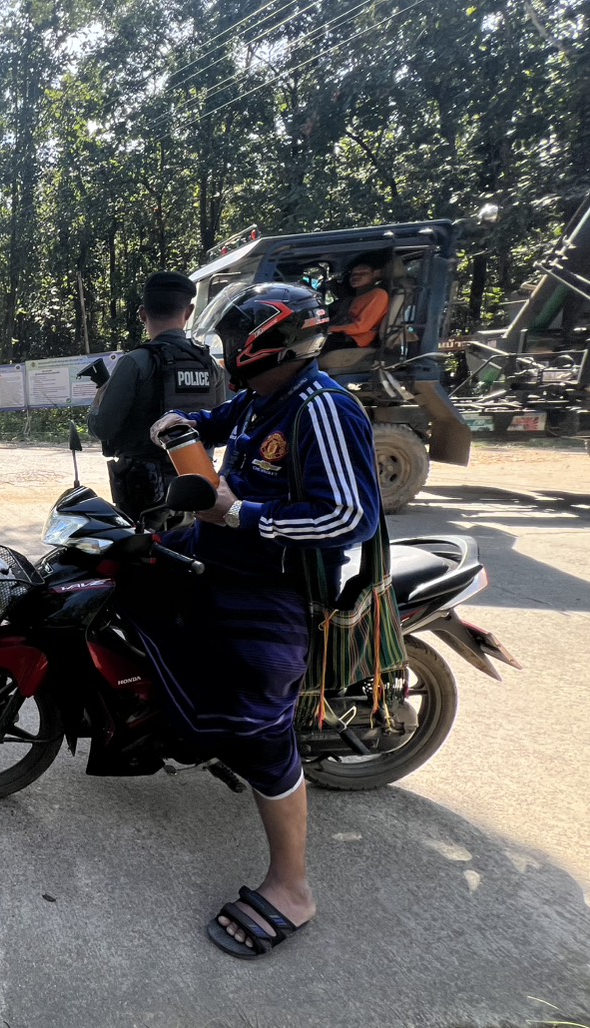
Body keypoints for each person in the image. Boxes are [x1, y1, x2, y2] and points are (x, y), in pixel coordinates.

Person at [137, 283, 380, 959]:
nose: (225, 355)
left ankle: (292, 888)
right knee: (130, 573)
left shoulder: (322, 408)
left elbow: (349, 517)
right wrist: (180, 429)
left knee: (258, 727)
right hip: (222, 552)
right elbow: (219, 423)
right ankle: (182, 718)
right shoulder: (262, 396)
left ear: (267, 346)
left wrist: (240, 514)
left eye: (231, 344)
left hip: (274, 583)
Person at [86, 271, 226, 518]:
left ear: (142, 314)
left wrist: (101, 393)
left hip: (146, 496)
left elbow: (101, 428)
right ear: (189, 311)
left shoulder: (136, 362)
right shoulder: (209, 363)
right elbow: (220, 428)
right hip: (199, 489)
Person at [322, 254, 390, 351]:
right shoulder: (352, 299)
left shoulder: (378, 294)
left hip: (354, 339)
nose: (356, 277)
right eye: (353, 274)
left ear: (375, 274)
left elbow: (361, 327)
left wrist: (330, 329)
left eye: (363, 273)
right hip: (340, 334)